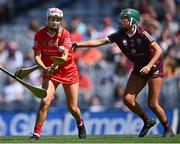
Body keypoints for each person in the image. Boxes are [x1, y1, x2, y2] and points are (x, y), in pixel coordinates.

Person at [72, 8, 174, 137]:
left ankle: (168, 128)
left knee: (152, 103)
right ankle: (147, 120)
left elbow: (159, 50)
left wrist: (149, 66)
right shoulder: (119, 35)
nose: (121, 20)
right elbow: (99, 41)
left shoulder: (142, 33)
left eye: (125, 18)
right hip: (139, 67)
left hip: (154, 67)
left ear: (133, 21)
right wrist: (78, 44)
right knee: (127, 99)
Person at [29, 7, 86, 140]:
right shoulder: (39, 34)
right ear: (47, 19)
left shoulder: (65, 33)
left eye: (57, 20)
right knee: (45, 101)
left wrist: (54, 65)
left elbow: (64, 56)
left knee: (72, 108)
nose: (55, 22)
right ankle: (36, 133)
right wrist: (45, 67)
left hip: (68, 71)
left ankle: (80, 122)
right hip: (50, 72)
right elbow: (37, 56)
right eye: (52, 19)